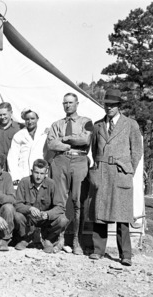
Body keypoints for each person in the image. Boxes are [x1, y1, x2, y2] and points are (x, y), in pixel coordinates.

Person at [88, 89, 142, 266]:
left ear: (119, 106)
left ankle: (125, 254)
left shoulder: (130, 124)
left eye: (112, 105)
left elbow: (137, 151)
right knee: (100, 213)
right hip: (102, 173)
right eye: (106, 105)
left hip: (120, 173)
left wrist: (128, 169)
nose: (109, 108)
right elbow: (94, 149)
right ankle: (98, 250)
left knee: (122, 216)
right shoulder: (97, 126)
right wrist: (97, 169)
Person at [47, 93, 93, 255]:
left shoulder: (86, 122)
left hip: (79, 161)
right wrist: (68, 146)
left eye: (71, 103)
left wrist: (65, 138)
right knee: (59, 200)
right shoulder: (56, 124)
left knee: (78, 201)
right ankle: (58, 239)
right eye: (65, 103)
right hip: (60, 161)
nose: (68, 105)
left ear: (77, 104)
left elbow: (85, 140)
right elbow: (51, 143)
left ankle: (77, 241)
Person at [14, 159, 68, 253]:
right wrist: (29, 208)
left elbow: (60, 206)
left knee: (63, 219)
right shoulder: (24, 182)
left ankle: (48, 240)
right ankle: (27, 238)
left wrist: (48, 214)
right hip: (30, 219)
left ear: (46, 173)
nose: (38, 176)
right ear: (31, 171)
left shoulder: (52, 184)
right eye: (36, 172)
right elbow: (17, 204)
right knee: (17, 216)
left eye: (42, 173)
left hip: (46, 220)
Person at [7, 108, 50, 184]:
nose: (30, 122)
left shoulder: (44, 133)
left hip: (40, 172)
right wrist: (15, 176)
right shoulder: (19, 135)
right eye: (27, 119)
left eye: (32, 118)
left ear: (37, 119)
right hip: (24, 172)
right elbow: (12, 157)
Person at [0, 102, 23, 171]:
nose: (2, 117)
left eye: (4, 114)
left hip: (15, 165)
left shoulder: (19, 128)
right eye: (0, 115)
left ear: (11, 113)